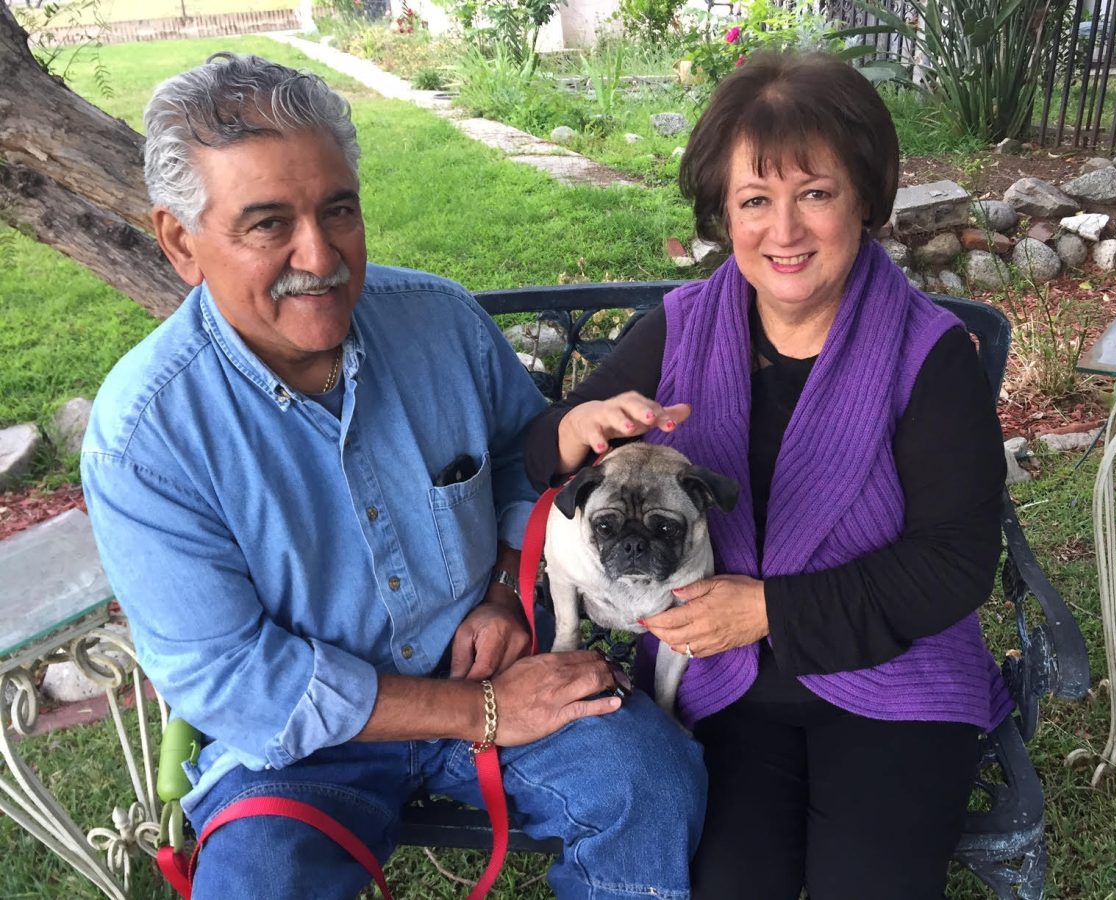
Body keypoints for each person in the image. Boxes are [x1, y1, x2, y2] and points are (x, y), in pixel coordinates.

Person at [80, 53, 704, 899]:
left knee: (651, 783)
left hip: (492, 671)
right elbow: (233, 677)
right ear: (181, 242)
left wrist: (501, 589)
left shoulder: (441, 324)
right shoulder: (145, 438)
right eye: (268, 224)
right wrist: (483, 713)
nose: (320, 254)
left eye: (339, 210)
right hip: (302, 746)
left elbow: (527, 471)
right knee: (258, 882)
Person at [525, 52, 1012, 899]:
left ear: (865, 201)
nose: (784, 231)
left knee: (871, 886)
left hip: (896, 675)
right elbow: (541, 450)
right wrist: (576, 426)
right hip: (721, 683)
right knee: (728, 882)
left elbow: (957, 563)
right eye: (755, 200)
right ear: (726, 214)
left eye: (815, 194)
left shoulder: (930, 356)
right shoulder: (681, 328)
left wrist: (767, 610)